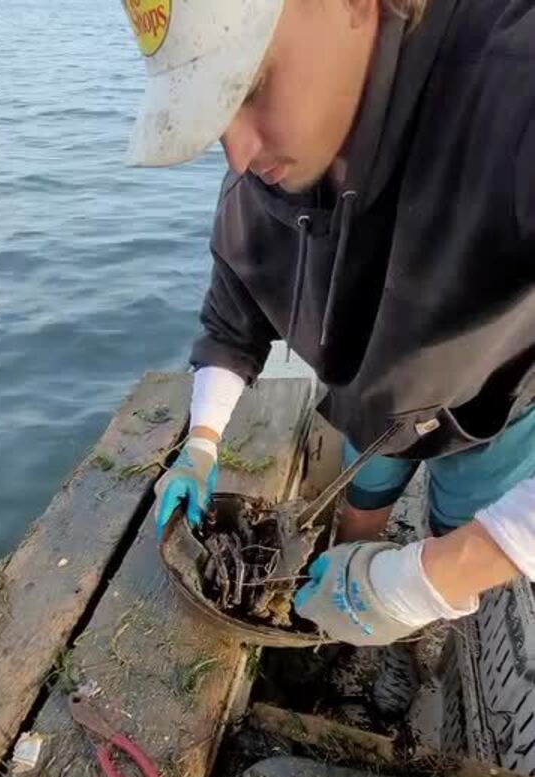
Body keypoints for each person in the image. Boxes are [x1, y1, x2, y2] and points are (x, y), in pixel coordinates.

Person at [122, 0, 535, 648]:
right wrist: (200, 444)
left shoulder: (514, 81)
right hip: (371, 406)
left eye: (251, 86)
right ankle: (342, 610)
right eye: (216, 108)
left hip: (492, 409)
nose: (237, 151)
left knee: (459, 530)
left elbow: (469, 557)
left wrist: (440, 574)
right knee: (359, 508)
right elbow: (231, 325)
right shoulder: (261, 177)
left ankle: (432, 627)